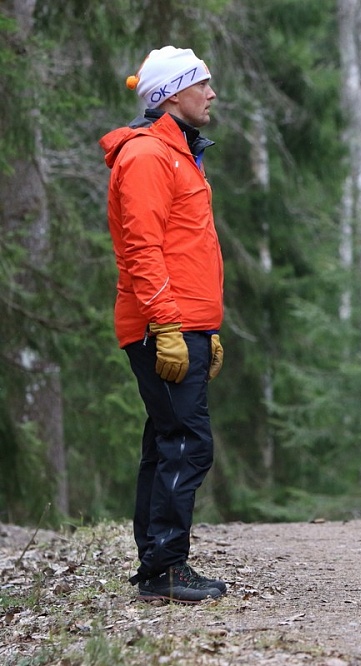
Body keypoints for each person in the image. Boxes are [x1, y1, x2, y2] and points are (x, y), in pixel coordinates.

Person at [99, 46, 227, 602]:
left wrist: (204, 327)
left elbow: (184, 250)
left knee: (167, 439)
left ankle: (157, 564)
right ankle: (166, 569)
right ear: (173, 93)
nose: (212, 93)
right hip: (161, 327)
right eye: (203, 83)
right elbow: (143, 250)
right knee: (187, 442)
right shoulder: (150, 156)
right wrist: (170, 327)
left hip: (179, 323)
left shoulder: (178, 154)